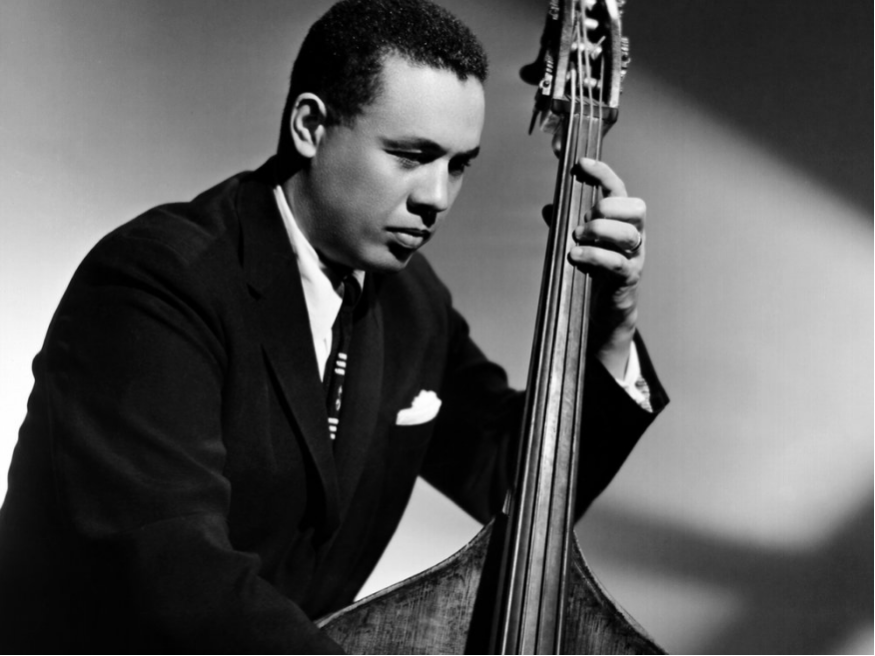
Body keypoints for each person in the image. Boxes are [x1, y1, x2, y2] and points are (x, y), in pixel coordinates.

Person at [0, 0, 667, 653]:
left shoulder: (413, 304)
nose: (436, 197)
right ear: (310, 126)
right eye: (410, 154)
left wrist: (611, 328)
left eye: (458, 164)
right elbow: (177, 574)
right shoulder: (157, 280)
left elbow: (516, 483)